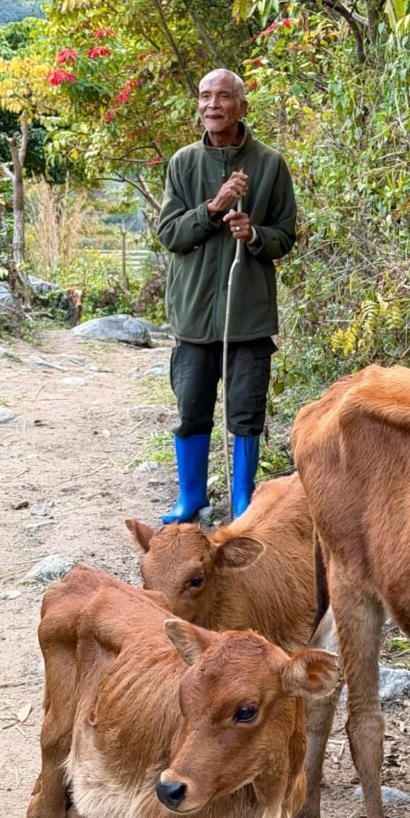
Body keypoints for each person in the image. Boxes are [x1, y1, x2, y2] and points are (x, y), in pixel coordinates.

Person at [156, 68, 297, 522]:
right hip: (194, 315)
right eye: (205, 96)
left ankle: (242, 501)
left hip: (248, 316)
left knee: (246, 413)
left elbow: (285, 236)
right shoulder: (183, 163)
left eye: (222, 97)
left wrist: (254, 233)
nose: (212, 105)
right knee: (191, 409)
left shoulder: (270, 164)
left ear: (242, 106)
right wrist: (214, 207)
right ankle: (191, 498)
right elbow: (170, 234)